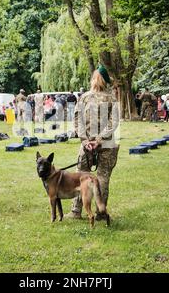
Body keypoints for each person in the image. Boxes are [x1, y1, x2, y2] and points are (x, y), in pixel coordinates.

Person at [65, 65, 120, 221]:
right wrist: (99, 140)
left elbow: (77, 120)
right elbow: (113, 122)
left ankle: (76, 211)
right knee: (103, 177)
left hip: (87, 144)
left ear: (93, 80)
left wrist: (85, 140)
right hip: (107, 144)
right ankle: (101, 213)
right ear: (105, 81)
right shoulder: (112, 98)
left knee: (80, 176)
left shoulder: (84, 97)